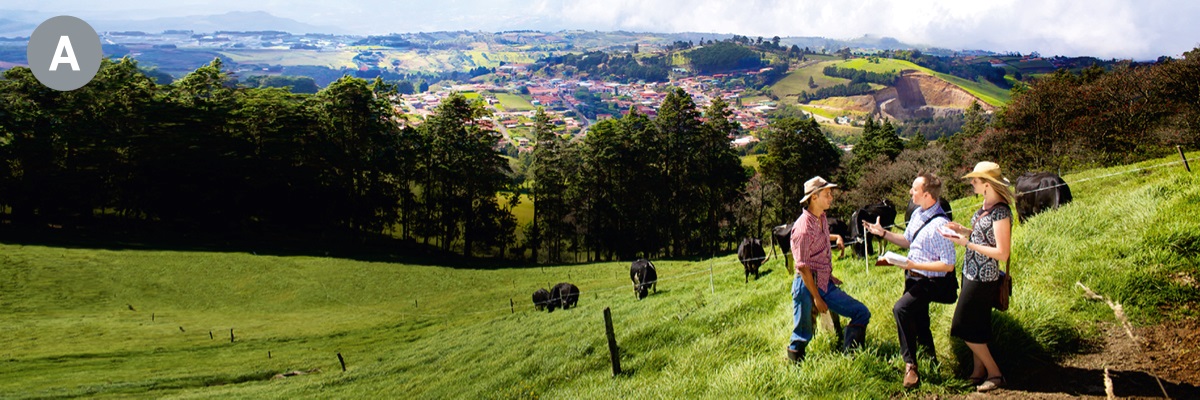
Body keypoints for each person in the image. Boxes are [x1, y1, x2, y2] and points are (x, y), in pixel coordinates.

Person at [863, 173, 957, 389]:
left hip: (930, 281)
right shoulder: (918, 215)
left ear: (926, 194)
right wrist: (883, 233)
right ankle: (931, 362)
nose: (910, 192)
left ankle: (910, 366)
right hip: (913, 278)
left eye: (914, 189)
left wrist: (913, 265)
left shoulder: (941, 224)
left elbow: (948, 265)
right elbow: (907, 241)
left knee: (901, 310)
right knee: (920, 320)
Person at [940, 161, 1018, 393]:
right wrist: (964, 231)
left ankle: (995, 373)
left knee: (962, 326)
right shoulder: (987, 205)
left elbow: (1002, 252)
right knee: (978, 326)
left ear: (987, 184)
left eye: (975, 180)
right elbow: (985, 236)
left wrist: (966, 242)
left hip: (984, 277)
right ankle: (978, 372)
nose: (971, 183)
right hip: (971, 272)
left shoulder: (1001, 212)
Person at [788, 176, 870, 363]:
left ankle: (851, 357)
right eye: (827, 194)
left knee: (861, 312)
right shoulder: (801, 229)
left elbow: (820, 243)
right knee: (802, 333)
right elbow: (802, 267)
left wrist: (836, 239)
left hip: (824, 282)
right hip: (806, 285)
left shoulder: (821, 218)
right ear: (814, 197)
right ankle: (796, 369)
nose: (831, 197)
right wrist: (817, 298)